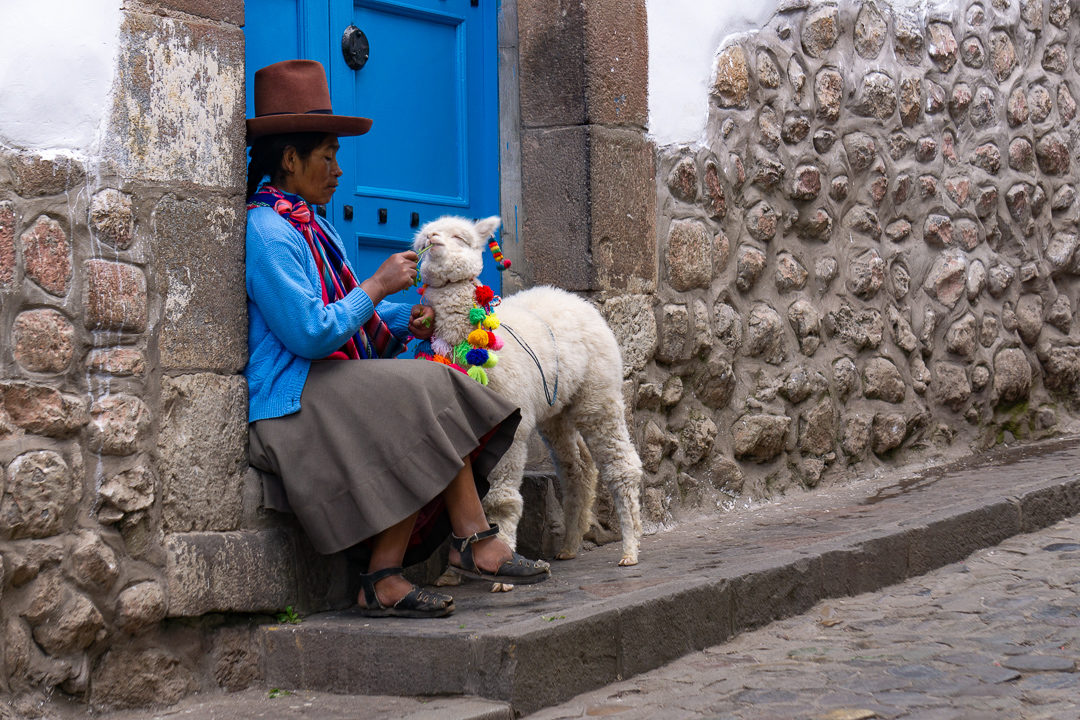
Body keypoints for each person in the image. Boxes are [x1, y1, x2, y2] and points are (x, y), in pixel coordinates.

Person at [243, 59, 549, 619]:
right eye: (328, 155)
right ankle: (460, 545)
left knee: (430, 386)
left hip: (328, 380)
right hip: (291, 398)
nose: (339, 168)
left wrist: (412, 321)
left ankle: (403, 568)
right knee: (420, 391)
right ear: (291, 159)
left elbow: (353, 324)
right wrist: (377, 287)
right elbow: (310, 333)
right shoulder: (267, 230)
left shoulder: (313, 223)